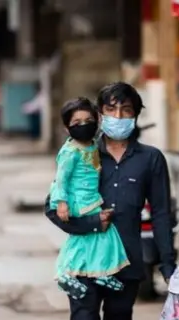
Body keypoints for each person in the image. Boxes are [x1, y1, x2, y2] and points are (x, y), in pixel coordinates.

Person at [44, 82, 176, 320]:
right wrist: (91, 224)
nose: (118, 115)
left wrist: (167, 263)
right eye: (111, 109)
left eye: (126, 110)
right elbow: (52, 207)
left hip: (126, 263)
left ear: (136, 115)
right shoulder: (82, 152)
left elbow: (162, 213)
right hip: (84, 262)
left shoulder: (150, 159)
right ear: (100, 114)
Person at [50, 97, 130, 300]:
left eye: (88, 120)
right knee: (82, 239)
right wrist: (61, 203)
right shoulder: (70, 152)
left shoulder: (93, 145)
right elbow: (61, 179)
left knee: (103, 237)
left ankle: (101, 272)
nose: (84, 126)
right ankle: (65, 273)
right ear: (67, 128)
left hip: (92, 199)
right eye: (76, 123)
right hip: (79, 202)